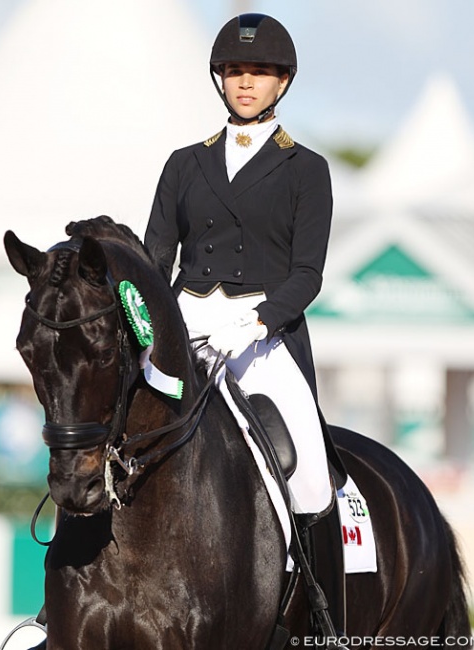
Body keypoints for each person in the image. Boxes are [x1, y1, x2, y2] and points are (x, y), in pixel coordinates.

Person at [144, 13, 346, 633]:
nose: (245, 82)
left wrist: (257, 321)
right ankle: (59, 603)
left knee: (312, 478)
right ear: (220, 79)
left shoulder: (305, 168)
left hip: (262, 334)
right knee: (109, 443)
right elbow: (155, 260)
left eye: (258, 72)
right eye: (234, 71)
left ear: (282, 82)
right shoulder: (185, 163)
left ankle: (322, 617)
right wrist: (149, 328)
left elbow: (307, 273)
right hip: (183, 327)